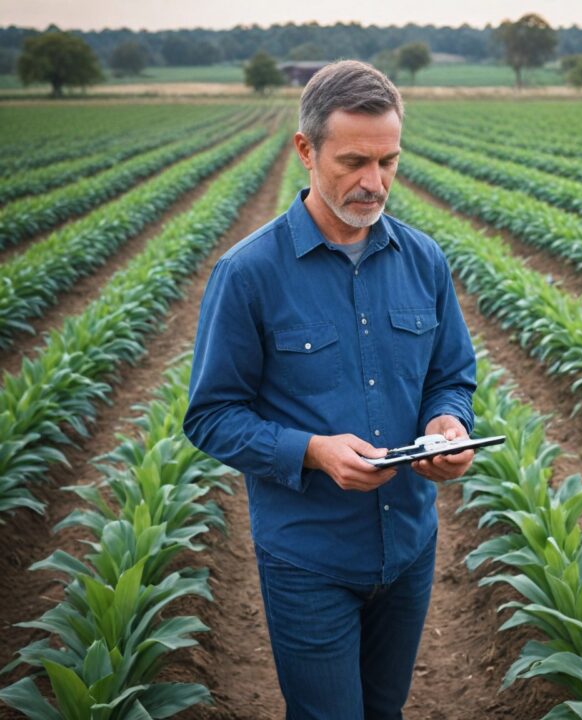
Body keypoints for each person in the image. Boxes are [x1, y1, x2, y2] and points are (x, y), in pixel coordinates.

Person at [182, 60, 477, 719]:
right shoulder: (248, 273)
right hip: (308, 558)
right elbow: (211, 416)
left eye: (389, 162)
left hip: (407, 546)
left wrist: (449, 424)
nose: (374, 184)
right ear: (305, 150)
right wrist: (312, 450)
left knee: (384, 712)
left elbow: (450, 377)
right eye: (353, 162)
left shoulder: (424, 259)